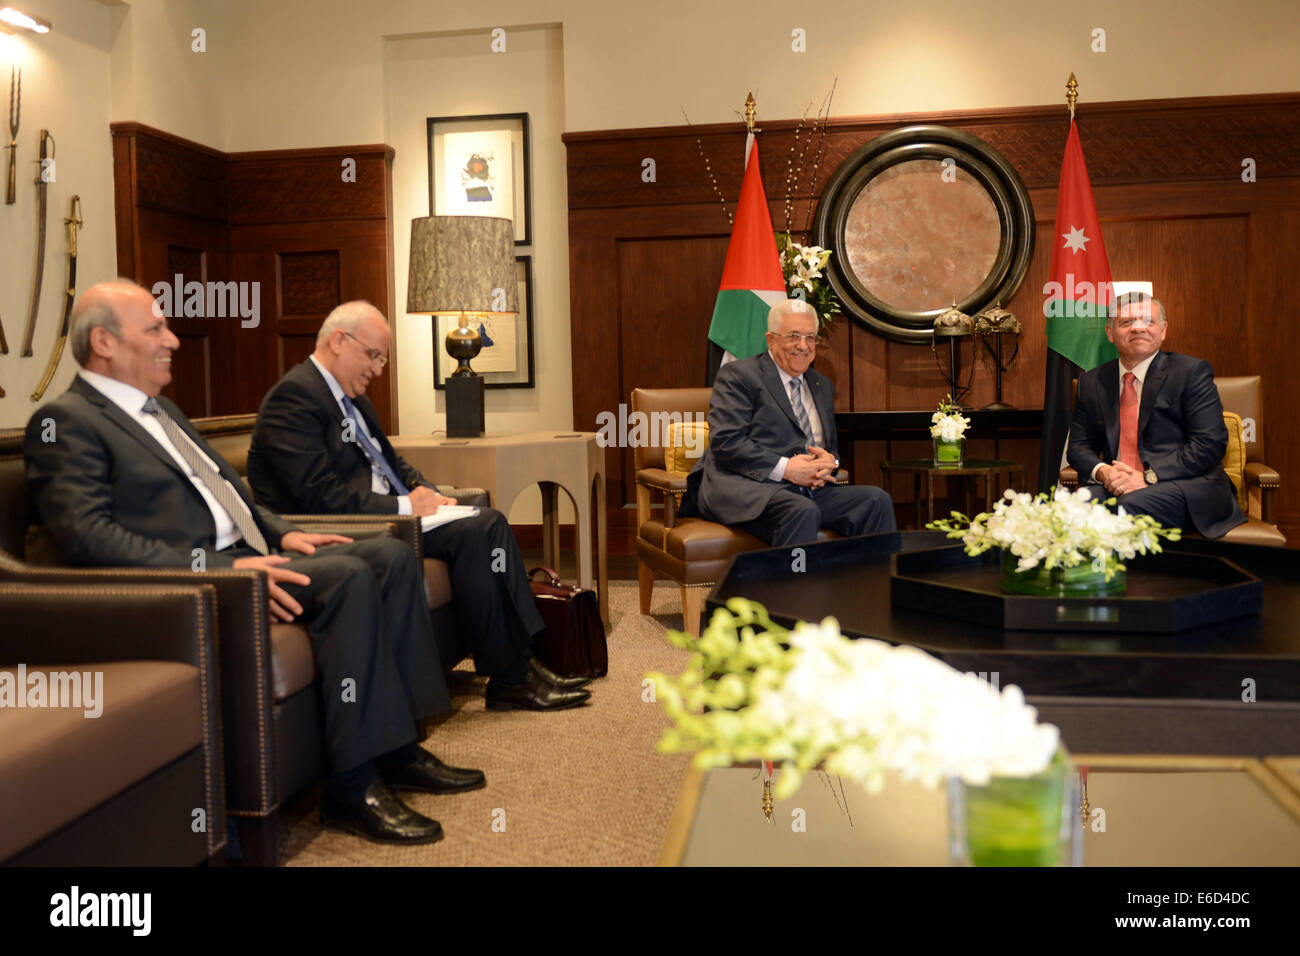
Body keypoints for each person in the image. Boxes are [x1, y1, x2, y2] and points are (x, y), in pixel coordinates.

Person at [24, 280, 486, 847]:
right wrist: (215, 569)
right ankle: (353, 787)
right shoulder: (66, 423)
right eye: (155, 329)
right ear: (104, 342)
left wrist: (285, 532)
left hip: (249, 556)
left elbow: (227, 492)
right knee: (349, 576)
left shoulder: (161, 410)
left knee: (388, 555)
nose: (172, 338)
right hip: (199, 584)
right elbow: (88, 537)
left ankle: (398, 749)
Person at [246, 301, 591, 711]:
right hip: (351, 528)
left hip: (392, 516)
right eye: (373, 355)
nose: (378, 369)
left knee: (490, 522)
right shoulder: (295, 398)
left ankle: (521, 664)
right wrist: (406, 505)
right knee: (474, 532)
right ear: (338, 341)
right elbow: (319, 495)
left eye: (382, 358)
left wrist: (429, 492)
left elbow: (394, 464)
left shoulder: (354, 400)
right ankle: (514, 676)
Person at [684, 298, 897, 546]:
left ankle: (874, 584)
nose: (803, 345)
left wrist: (832, 462)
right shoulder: (739, 376)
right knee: (801, 510)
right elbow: (726, 442)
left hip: (808, 490)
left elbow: (830, 449)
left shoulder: (821, 385)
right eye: (793, 336)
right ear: (771, 340)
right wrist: (787, 469)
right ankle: (794, 584)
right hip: (750, 487)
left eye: (810, 337)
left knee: (875, 501)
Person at [1067, 292, 1245, 538]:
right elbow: (1078, 447)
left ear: (1163, 330)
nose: (1138, 328)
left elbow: (1209, 444)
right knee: (1072, 507)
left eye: (1148, 321)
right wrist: (1104, 472)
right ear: (1109, 332)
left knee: (1125, 510)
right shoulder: (1092, 382)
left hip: (1184, 486)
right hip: (1117, 485)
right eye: (1126, 322)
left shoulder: (1191, 372)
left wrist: (1148, 476)